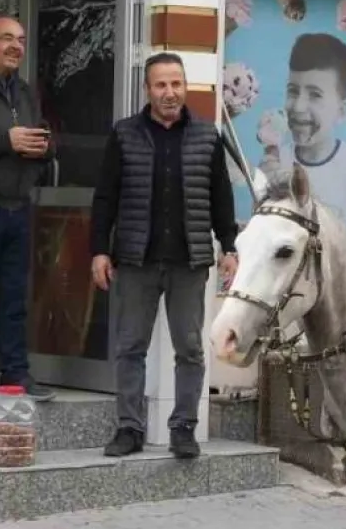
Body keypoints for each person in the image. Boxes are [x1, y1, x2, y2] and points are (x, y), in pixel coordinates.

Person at [91, 53, 240, 459]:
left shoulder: (208, 136)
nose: (169, 92)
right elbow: (105, 198)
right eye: (160, 85)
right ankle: (129, 428)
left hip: (189, 261)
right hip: (136, 260)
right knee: (129, 347)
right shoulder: (124, 135)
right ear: (148, 90)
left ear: (185, 86)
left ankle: (183, 428)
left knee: (190, 349)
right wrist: (99, 251)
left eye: (176, 84)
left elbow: (221, 197)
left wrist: (229, 246)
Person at [0, 14, 54, 401]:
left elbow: (42, 134)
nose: (16, 46)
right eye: (7, 39)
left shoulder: (25, 91)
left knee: (14, 297)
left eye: (21, 39)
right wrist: (6, 141)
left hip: (18, 207)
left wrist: (44, 146)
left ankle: (16, 375)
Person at [257, 33, 346, 237]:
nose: (299, 106)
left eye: (315, 95)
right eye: (293, 91)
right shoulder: (276, 163)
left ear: (342, 110)